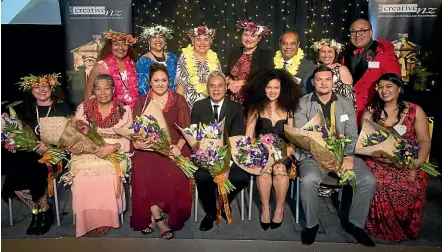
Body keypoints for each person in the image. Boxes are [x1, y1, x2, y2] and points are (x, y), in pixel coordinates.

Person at [293, 66, 376, 246]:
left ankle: (355, 224)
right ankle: (312, 225)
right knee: (308, 180)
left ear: (333, 82)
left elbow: (353, 133)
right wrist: (318, 155)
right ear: (313, 82)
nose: (323, 83)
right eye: (319, 79)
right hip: (313, 156)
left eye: (327, 79)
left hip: (343, 156)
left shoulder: (345, 103)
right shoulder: (303, 103)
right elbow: (301, 136)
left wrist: (348, 155)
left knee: (367, 180)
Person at [1, 73, 73, 235]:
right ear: (30, 90)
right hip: (29, 154)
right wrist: (14, 142)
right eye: (36, 87)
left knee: (35, 167)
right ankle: (38, 212)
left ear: (51, 88)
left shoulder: (63, 108)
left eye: (45, 86)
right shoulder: (24, 109)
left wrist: (50, 145)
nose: (41, 90)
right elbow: (17, 134)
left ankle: (45, 210)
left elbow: (71, 136)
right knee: (13, 166)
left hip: (56, 153)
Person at [362, 73, 431, 242]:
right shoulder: (371, 112)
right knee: (379, 180)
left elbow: (424, 139)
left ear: (399, 88)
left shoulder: (415, 110)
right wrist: (382, 156)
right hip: (378, 160)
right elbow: (364, 142)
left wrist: (416, 162)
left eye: (389, 86)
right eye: (380, 87)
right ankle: (379, 227)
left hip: (407, 159)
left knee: (416, 181)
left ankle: (405, 228)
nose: (384, 91)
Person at [130, 63, 192, 239]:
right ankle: (158, 220)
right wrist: (138, 143)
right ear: (149, 82)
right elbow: (136, 130)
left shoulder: (179, 100)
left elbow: (186, 130)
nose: (160, 84)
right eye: (156, 80)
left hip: (175, 146)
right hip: (148, 147)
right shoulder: (142, 102)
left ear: (169, 82)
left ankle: (158, 215)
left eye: (163, 80)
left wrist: (178, 147)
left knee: (172, 171)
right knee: (143, 169)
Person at [66, 74, 132, 237]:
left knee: (108, 175)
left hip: (116, 150)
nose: (103, 92)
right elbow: (74, 134)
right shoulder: (83, 107)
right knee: (81, 175)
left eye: (107, 88)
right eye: (98, 88)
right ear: (93, 90)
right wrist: (74, 146)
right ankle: (86, 220)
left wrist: (113, 147)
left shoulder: (125, 109)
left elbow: (128, 138)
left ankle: (106, 219)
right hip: (87, 151)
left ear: (113, 90)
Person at [243, 69, 302, 230]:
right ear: (262, 88)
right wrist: (256, 153)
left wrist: (288, 154)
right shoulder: (255, 108)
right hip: (262, 153)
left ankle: (279, 208)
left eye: (276, 87)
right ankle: (265, 208)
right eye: (269, 87)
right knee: (265, 170)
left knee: (280, 169)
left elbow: (292, 139)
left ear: (282, 89)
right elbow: (248, 137)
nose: (272, 91)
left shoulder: (289, 110)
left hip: (285, 152)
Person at [191, 71, 249, 231]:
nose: (216, 89)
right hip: (204, 156)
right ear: (207, 88)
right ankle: (210, 213)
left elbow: (236, 138)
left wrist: (226, 166)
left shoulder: (236, 108)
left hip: (229, 156)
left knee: (242, 177)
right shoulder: (198, 106)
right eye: (212, 86)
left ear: (226, 87)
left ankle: (223, 203)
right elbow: (195, 136)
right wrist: (207, 159)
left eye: (220, 85)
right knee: (202, 177)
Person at [341, 18, 401, 125]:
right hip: (348, 111)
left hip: (372, 112)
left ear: (371, 33)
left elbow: (395, 84)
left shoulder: (383, 53)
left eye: (362, 31)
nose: (357, 35)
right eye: (353, 31)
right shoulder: (346, 54)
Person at [84, 29, 139, 108]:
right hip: (110, 111)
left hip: (134, 111)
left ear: (129, 47)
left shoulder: (133, 64)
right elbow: (88, 93)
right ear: (110, 46)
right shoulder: (100, 66)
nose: (120, 48)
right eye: (116, 44)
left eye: (124, 44)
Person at [225, 21, 273, 104]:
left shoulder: (265, 55)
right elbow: (226, 74)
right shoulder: (234, 52)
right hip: (231, 100)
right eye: (246, 35)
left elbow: (266, 78)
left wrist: (240, 83)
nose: (248, 39)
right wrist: (231, 82)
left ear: (259, 38)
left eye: (253, 36)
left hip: (252, 100)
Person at [175, 26, 222, 110]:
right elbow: (180, 85)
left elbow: (219, 84)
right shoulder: (185, 57)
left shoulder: (214, 59)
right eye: (198, 39)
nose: (202, 43)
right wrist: (179, 109)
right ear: (193, 41)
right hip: (189, 107)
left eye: (206, 39)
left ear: (210, 42)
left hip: (210, 106)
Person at [311, 38, 355, 106]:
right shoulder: (314, 69)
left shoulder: (342, 69)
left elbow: (349, 97)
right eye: (323, 51)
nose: (326, 55)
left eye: (330, 51)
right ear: (318, 53)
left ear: (335, 54)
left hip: (338, 109)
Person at [137, 25, 178, 96]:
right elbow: (143, 88)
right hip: (154, 103)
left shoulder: (173, 57)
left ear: (165, 40)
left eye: (161, 37)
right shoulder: (143, 61)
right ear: (149, 41)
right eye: (154, 37)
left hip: (175, 101)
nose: (158, 40)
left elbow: (180, 82)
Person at [274, 30, 315, 94]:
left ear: (298, 45)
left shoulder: (308, 66)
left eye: (292, 44)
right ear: (280, 44)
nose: (288, 47)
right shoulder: (270, 62)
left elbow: (306, 94)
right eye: (285, 43)